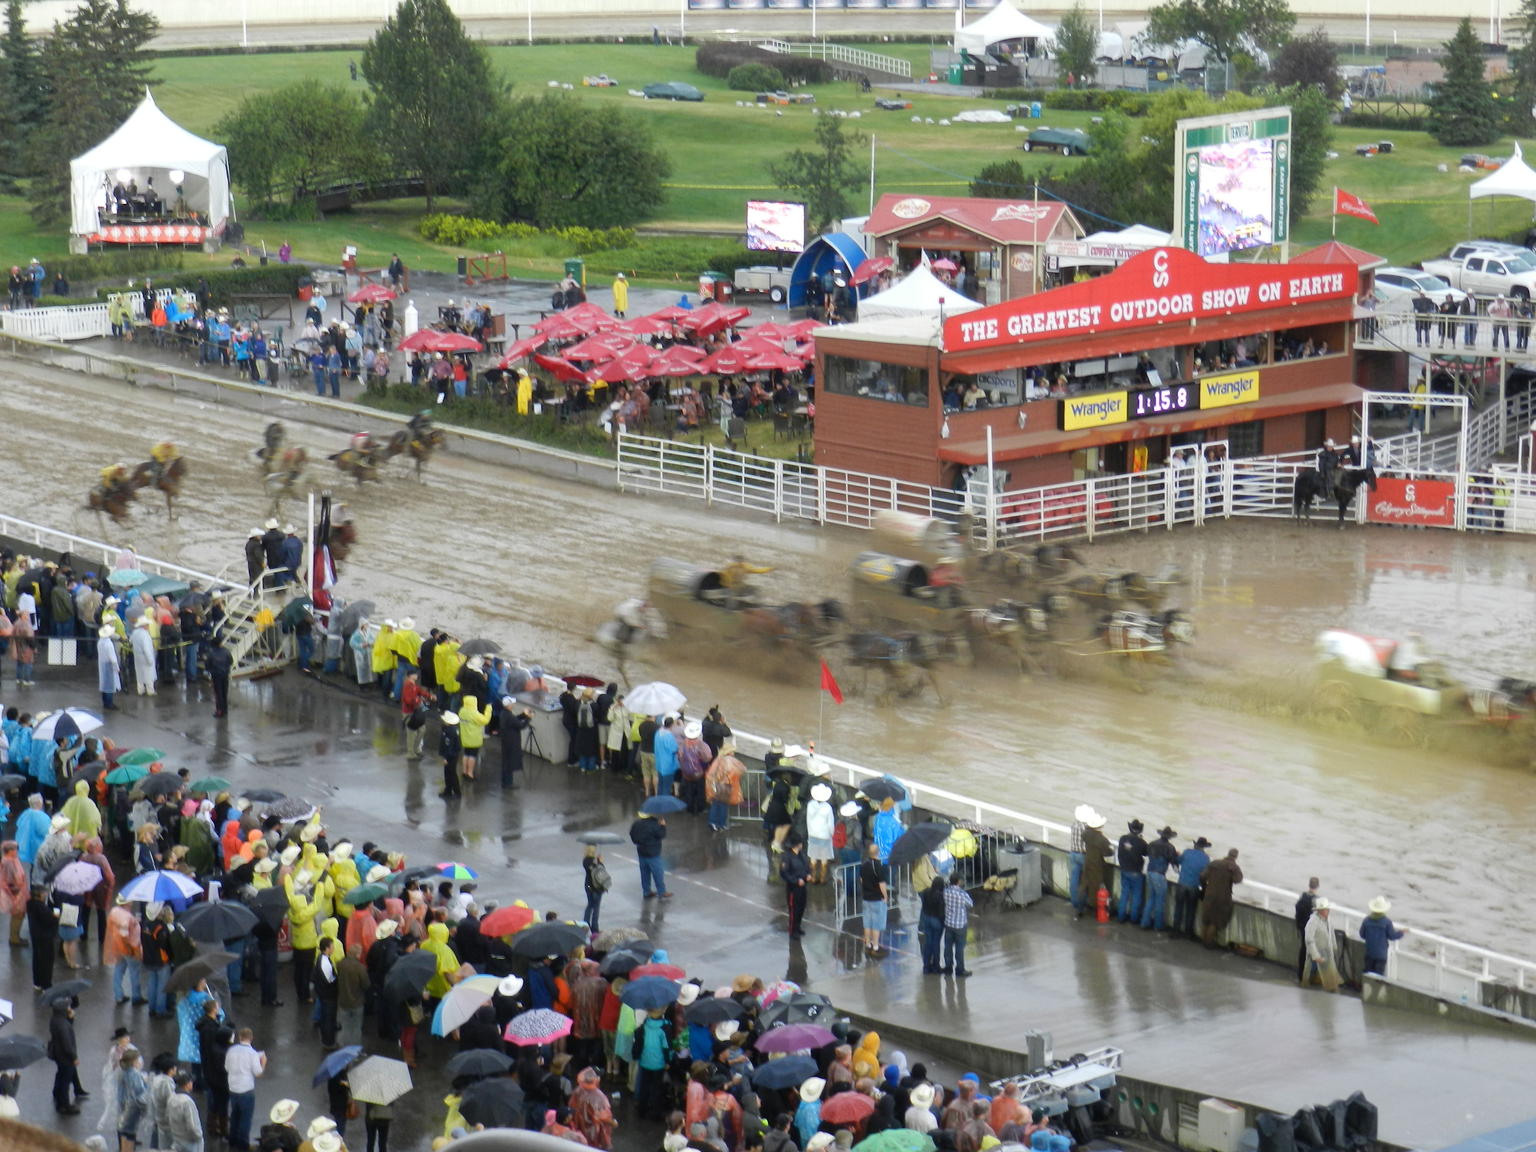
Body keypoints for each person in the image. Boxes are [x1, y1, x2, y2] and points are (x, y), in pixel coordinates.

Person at [224, 1027, 265, 1151]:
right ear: (251, 1038)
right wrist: (263, 1062)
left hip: (233, 1087)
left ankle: (232, 1139)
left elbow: (226, 1067)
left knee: (235, 1114)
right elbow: (258, 1073)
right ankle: (242, 1144)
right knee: (245, 1118)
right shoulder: (252, 1053)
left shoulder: (231, 1050)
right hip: (246, 1089)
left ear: (240, 1037)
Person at [1199, 848, 1243, 947]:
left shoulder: (1215, 863)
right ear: (1235, 857)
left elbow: (1202, 876)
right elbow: (1237, 880)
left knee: (1206, 918)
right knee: (1215, 920)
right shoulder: (1234, 867)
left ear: (1227, 854)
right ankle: (1208, 943)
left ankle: (1202, 939)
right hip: (1222, 898)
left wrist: (1205, 887)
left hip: (1209, 894)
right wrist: (1233, 872)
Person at [1075, 809, 1110, 921]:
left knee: (1083, 885)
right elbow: (1107, 852)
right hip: (1097, 865)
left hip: (1087, 862)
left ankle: (1079, 909)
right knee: (1095, 887)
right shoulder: (1102, 839)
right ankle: (1096, 910)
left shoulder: (1086, 834)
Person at [1173, 836, 1211, 938]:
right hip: (1194, 886)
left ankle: (1175, 931)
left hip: (1182, 883)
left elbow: (1177, 860)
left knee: (1179, 908)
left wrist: (1178, 855)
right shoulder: (1206, 858)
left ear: (1195, 845)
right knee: (1191, 910)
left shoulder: (1187, 852)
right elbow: (1206, 874)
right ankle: (1188, 932)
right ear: (1204, 847)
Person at [1359, 895, 1406, 977]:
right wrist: (1401, 932)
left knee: (1367, 973)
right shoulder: (1387, 922)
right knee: (1378, 976)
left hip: (1369, 953)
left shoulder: (1366, 920)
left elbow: (1362, 935)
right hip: (1381, 955)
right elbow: (1392, 936)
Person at [49, 1000, 81, 1115]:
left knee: (60, 1075)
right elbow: (67, 1044)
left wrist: (70, 1019)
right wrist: (74, 1057)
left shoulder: (55, 1020)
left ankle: (57, 1095)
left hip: (58, 1054)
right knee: (65, 1081)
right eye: (67, 1007)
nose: (69, 1008)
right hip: (65, 1057)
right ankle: (64, 1105)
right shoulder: (62, 1024)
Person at [1141, 826, 1177, 932]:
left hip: (1150, 872)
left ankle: (1144, 922)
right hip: (1159, 875)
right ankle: (1158, 925)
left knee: (1150, 899)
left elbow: (1147, 853)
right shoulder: (1170, 847)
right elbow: (1174, 864)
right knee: (1160, 901)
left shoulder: (1152, 843)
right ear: (1170, 837)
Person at [628, 811, 670, 900]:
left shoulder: (636, 824)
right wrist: (663, 825)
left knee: (644, 873)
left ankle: (646, 891)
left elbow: (632, 836)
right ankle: (661, 891)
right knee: (658, 873)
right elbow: (662, 835)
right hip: (653, 853)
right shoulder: (654, 824)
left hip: (641, 853)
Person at [859, 842, 890, 954]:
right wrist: (885, 896)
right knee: (876, 925)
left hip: (866, 898)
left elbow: (861, 880)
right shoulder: (879, 866)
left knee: (867, 923)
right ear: (878, 852)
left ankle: (867, 943)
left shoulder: (863, 865)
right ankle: (875, 946)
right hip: (877, 899)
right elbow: (882, 884)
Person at [1115, 819, 1147, 924]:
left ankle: (1121, 916)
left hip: (1124, 869)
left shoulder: (1123, 838)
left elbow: (1120, 852)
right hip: (1136, 871)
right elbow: (1146, 853)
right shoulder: (1141, 842)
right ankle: (1134, 918)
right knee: (1136, 895)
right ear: (1140, 830)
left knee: (1124, 893)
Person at [116, 1047, 149, 1152]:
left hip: (124, 1104)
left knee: (124, 1132)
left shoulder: (123, 1071)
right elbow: (140, 1092)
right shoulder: (135, 1074)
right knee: (130, 1133)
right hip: (133, 1106)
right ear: (134, 1061)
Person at [1304, 897, 1339, 991]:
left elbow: (1331, 933)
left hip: (1326, 951)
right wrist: (1316, 955)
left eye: (1328, 909)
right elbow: (1309, 939)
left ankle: (1328, 986)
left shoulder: (1328, 920)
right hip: (1316, 953)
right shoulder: (1313, 921)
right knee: (1313, 971)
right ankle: (1309, 988)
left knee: (1327, 971)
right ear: (1320, 910)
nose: (1328, 910)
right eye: (1326, 909)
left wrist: (1334, 947)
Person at [941, 873, 974, 976]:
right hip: (960, 924)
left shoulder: (945, 892)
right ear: (958, 881)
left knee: (948, 947)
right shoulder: (962, 894)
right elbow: (970, 904)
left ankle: (948, 967)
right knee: (959, 948)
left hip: (949, 923)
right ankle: (960, 970)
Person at [779, 835, 810, 937]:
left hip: (802, 886)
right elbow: (784, 873)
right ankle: (792, 930)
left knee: (801, 908)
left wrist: (807, 875)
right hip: (793, 888)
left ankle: (798, 927)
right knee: (794, 910)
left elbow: (806, 867)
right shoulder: (787, 857)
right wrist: (796, 881)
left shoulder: (802, 855)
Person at [166, 1072, 203, 1152]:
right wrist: (199, 1136)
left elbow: (167, 1117)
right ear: (187, 1084)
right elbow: (192, 1126)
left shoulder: (171, 1098)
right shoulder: (188, 1102)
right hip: (190, 1143)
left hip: (177, 1140)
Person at [1293, 877, 1320, 983]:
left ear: (1309, 885)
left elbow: (1297, 910)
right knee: (1311, 952)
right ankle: (1309, 976)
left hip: (1302, 927)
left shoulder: (1302, 897)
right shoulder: (1316, 900)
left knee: (1303, 950)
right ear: (1317, 886)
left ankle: (1301, 974)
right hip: (1311, 929)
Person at [582, 845, 609, 934]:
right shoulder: (596, 861)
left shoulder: (585, 861)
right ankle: (595, 927)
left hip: (588, 886)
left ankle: (585, 924)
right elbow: (600, 872)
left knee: (589, 905)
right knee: (596, 907)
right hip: (597, 888)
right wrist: (600, 862)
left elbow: (590, 870)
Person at [437, 711, 462, 799]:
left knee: (450, 773)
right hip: (454, 754)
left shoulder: (449, 731)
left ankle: (455, 792)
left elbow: (449, 746)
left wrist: (446, 757)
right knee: (449, 772)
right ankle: (448, 790)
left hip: (450, 755)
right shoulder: (454, 729)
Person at [98, 624, 122, 710]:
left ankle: (105, 702)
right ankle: (109, 703)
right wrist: (117, 668)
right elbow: (113, 658)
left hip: (102, 664)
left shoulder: (100, 642)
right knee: (110, 685)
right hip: (109, 665)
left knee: (104, 684)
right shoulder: (109, 644)